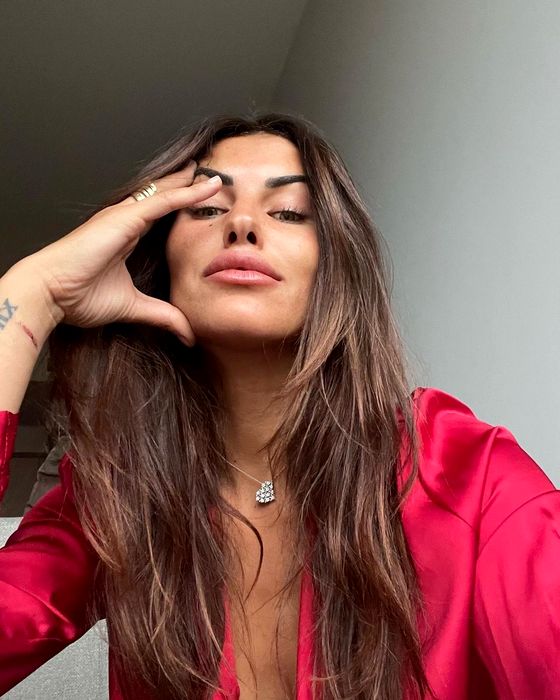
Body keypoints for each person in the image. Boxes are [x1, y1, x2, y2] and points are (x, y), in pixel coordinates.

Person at [0, 113, 558, 700]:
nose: (241, 223)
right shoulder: (116, 493)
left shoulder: (469, 475)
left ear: (336, 268)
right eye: (207, 209)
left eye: (289, 211)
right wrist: (31, 295)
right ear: (162, 261)